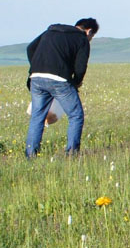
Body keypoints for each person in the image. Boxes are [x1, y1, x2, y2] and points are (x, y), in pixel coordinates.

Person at [24, 18, 98, 157]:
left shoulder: (50, 32)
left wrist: (37, 66)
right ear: (89, 31)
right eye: (92, 37)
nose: (90, 39)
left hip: (36, 77)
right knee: (76, 115)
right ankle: (71, 155)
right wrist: (76, 82)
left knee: (37, 117)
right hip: (59, 80)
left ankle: (30, 155)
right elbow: (81, 66)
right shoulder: (81, 39)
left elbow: (30, 48)